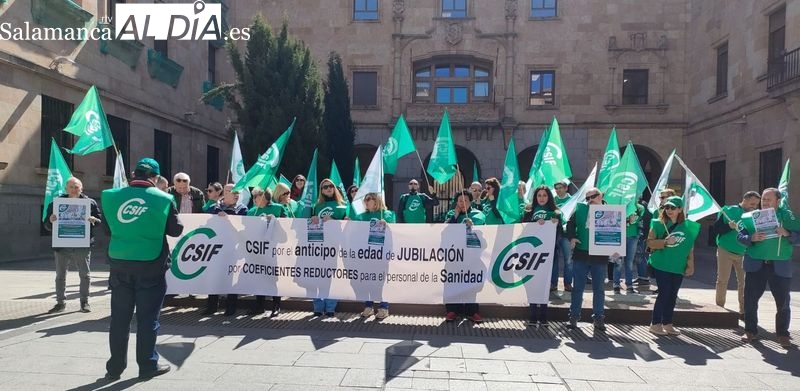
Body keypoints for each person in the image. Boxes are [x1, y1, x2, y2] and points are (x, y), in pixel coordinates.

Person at [101, 158, 183, 381]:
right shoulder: (165, 199)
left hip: (119, 264)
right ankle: (147, 365)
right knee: (148, 320)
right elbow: (176, 231)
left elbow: (107, 230)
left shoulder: (109, 196)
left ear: (133, 174)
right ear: (154, 178)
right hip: (151, 266)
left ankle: (114, 368)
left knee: (119, 319)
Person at [738, 188, 800, 347]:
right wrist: (751, 238)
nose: (765, 203)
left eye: (768, 200)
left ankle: (782, 334)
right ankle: (750, 331)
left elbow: (798, 237)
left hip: (780, 266)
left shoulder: (788, 216)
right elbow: (741, 236)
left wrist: (787, 233)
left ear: (778, 201)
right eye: (763, 200)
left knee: (783, 302)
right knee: (750, 300)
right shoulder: (752, 216)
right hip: (756, 264)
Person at [44, 176, 101, 313]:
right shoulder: (56, 203)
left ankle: (84, 302)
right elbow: (46, 224)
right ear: (66, 188)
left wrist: (94, 220)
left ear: (81, 188)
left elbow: (100, 221)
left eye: (77, 187)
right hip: (62, 245)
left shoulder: (90, 203)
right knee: (60, 275)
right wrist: (51, 221)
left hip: (82, 244)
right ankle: (60, 303)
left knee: (85, 275)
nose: (74, 189)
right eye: (71, 187)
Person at [646, 196, 698, 336]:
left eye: (673, 207)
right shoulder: (657, 223)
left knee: (673, 294)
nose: (669, 210)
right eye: (667, 207)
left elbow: (689, 248)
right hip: (661, 264)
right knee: (665, 292)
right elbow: (650, 243)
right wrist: (664, 242)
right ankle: (655, 323)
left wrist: (690, 265)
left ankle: (668, 323)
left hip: (678, 265)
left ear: (680, 209)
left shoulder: (688, 227)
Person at [566, 187, 608, 331]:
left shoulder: (612, 210)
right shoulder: (581, 209)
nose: (590, 200)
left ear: (601, 195)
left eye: (593, 196)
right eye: (587, 198)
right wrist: (572, 237)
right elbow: (569, 223)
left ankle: (598, 318)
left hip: (600, 255)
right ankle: (574, 316)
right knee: (577, 287)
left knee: (599, 289)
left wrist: (617, 249)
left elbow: (618, 231)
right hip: (581, 253)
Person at [712, 191, 761, 315]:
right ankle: (719, 307)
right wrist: (729, 226)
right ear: (744, 200)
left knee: (744, 282)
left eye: (756, 205)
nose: (754, 207)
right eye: (752, 203)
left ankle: (743, 311)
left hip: (744, 252)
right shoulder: (728, 210)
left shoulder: (755, 215)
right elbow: (716, 229)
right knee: (722, 280)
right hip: (725, 250)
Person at [204, 184, 249, 316]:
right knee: (214, 276)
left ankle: (231, 307)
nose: (236, 194)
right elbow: (206, 224)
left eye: (237, 192)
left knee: (231, 276)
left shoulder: (243, 209)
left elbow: (243, 228)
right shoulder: (213, 208)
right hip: (215, 247)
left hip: (233, 248)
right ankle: (212, 306)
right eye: (232, 191)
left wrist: (228, 220)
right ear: (224, 192)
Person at [444, 190, 486, 323]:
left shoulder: (477, 215)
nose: (462, 203)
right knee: (452, 283)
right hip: (454, 257)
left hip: (471, 258)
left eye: (465, 201)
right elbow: (445, 230)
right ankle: (452, 311)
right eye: (460, 201)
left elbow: (482, 231)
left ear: (470, 202)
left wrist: (472, 225)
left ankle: (472, 311)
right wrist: (455, 216)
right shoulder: (452, 214)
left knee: (470, 284)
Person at [523, 185, 562, 326]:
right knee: (532, 283)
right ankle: (532, 315)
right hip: (531, 255)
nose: (541, 198)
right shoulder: (528, 211)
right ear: (535, 197)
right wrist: (534, 223)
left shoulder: (556, 213)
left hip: (548, 255)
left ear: (549, 197)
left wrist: (555, 225)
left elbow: (560, 234)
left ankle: (544, 316)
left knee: (544, 285)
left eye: (544, 195)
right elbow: (523, 229)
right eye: (539, 195)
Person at [310, 178, 349, 316]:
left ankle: (331, 307)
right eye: (325, 186)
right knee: (318, 276)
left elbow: (347, 225)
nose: (328, 188)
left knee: (333, 277)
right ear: (321, 190)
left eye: (331, 186)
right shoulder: (317, 206)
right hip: (319, 247)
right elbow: (309, 225)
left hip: (335, 246)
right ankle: (318, 306)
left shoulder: (343, 205)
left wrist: (334, 222)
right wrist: (313, 218)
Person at [245, 187, 286, 316]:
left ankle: (276, 305)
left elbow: (288, 224)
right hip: (258, 250)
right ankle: (259, 305)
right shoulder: (252, 211)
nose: (254, 199)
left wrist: (276, 220)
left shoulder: (278, 208)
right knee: (259, 276)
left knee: (274, 277)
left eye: (256, 196)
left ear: (263, 196)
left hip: (274, 249)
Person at [355, 193, 396, 319]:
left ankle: (384, 307)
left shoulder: (387, 214)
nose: (366, 202)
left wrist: (387, 225)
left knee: (381, 281)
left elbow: (396, 231)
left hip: (382, 254)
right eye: (365, 200)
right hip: (367, 254)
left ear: (376, 200)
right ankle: (369, 306)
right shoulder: (362, 216)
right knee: (368, 280)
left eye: (368, 199)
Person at [613, 201, 644, 294]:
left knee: (629, 262)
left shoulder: (640, 207)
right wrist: (627, 220)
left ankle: (629, 285)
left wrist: (633, 220)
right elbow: (612, 219)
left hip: (633, 236)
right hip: (618, 236)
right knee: (617, 261)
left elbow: (640, 220)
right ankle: (616, 285)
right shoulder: (617, 204)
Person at [552, 181, 573, 292]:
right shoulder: (553, 200)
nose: (558, 190)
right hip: (554, 233)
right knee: (554, 260)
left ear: (566, 188)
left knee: (568, 260)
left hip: (566, 234)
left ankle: (568, 283)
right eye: (556, 188)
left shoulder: (572, 200)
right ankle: (553, 283)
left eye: (560, 188)